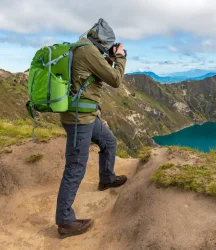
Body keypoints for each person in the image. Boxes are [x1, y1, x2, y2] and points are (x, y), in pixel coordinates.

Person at [55, 19, 127, 239]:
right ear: (102, 41)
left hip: (85, 116)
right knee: (76, 166)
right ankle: (65, 221)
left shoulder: (82, 47)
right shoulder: (88, 51)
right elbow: (115, 79)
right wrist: (121, 58)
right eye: (107, 46)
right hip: (80, 119)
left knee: (109, 142)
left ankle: (106, 178)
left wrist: (110, 58)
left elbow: (94, 72)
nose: (107, 49)